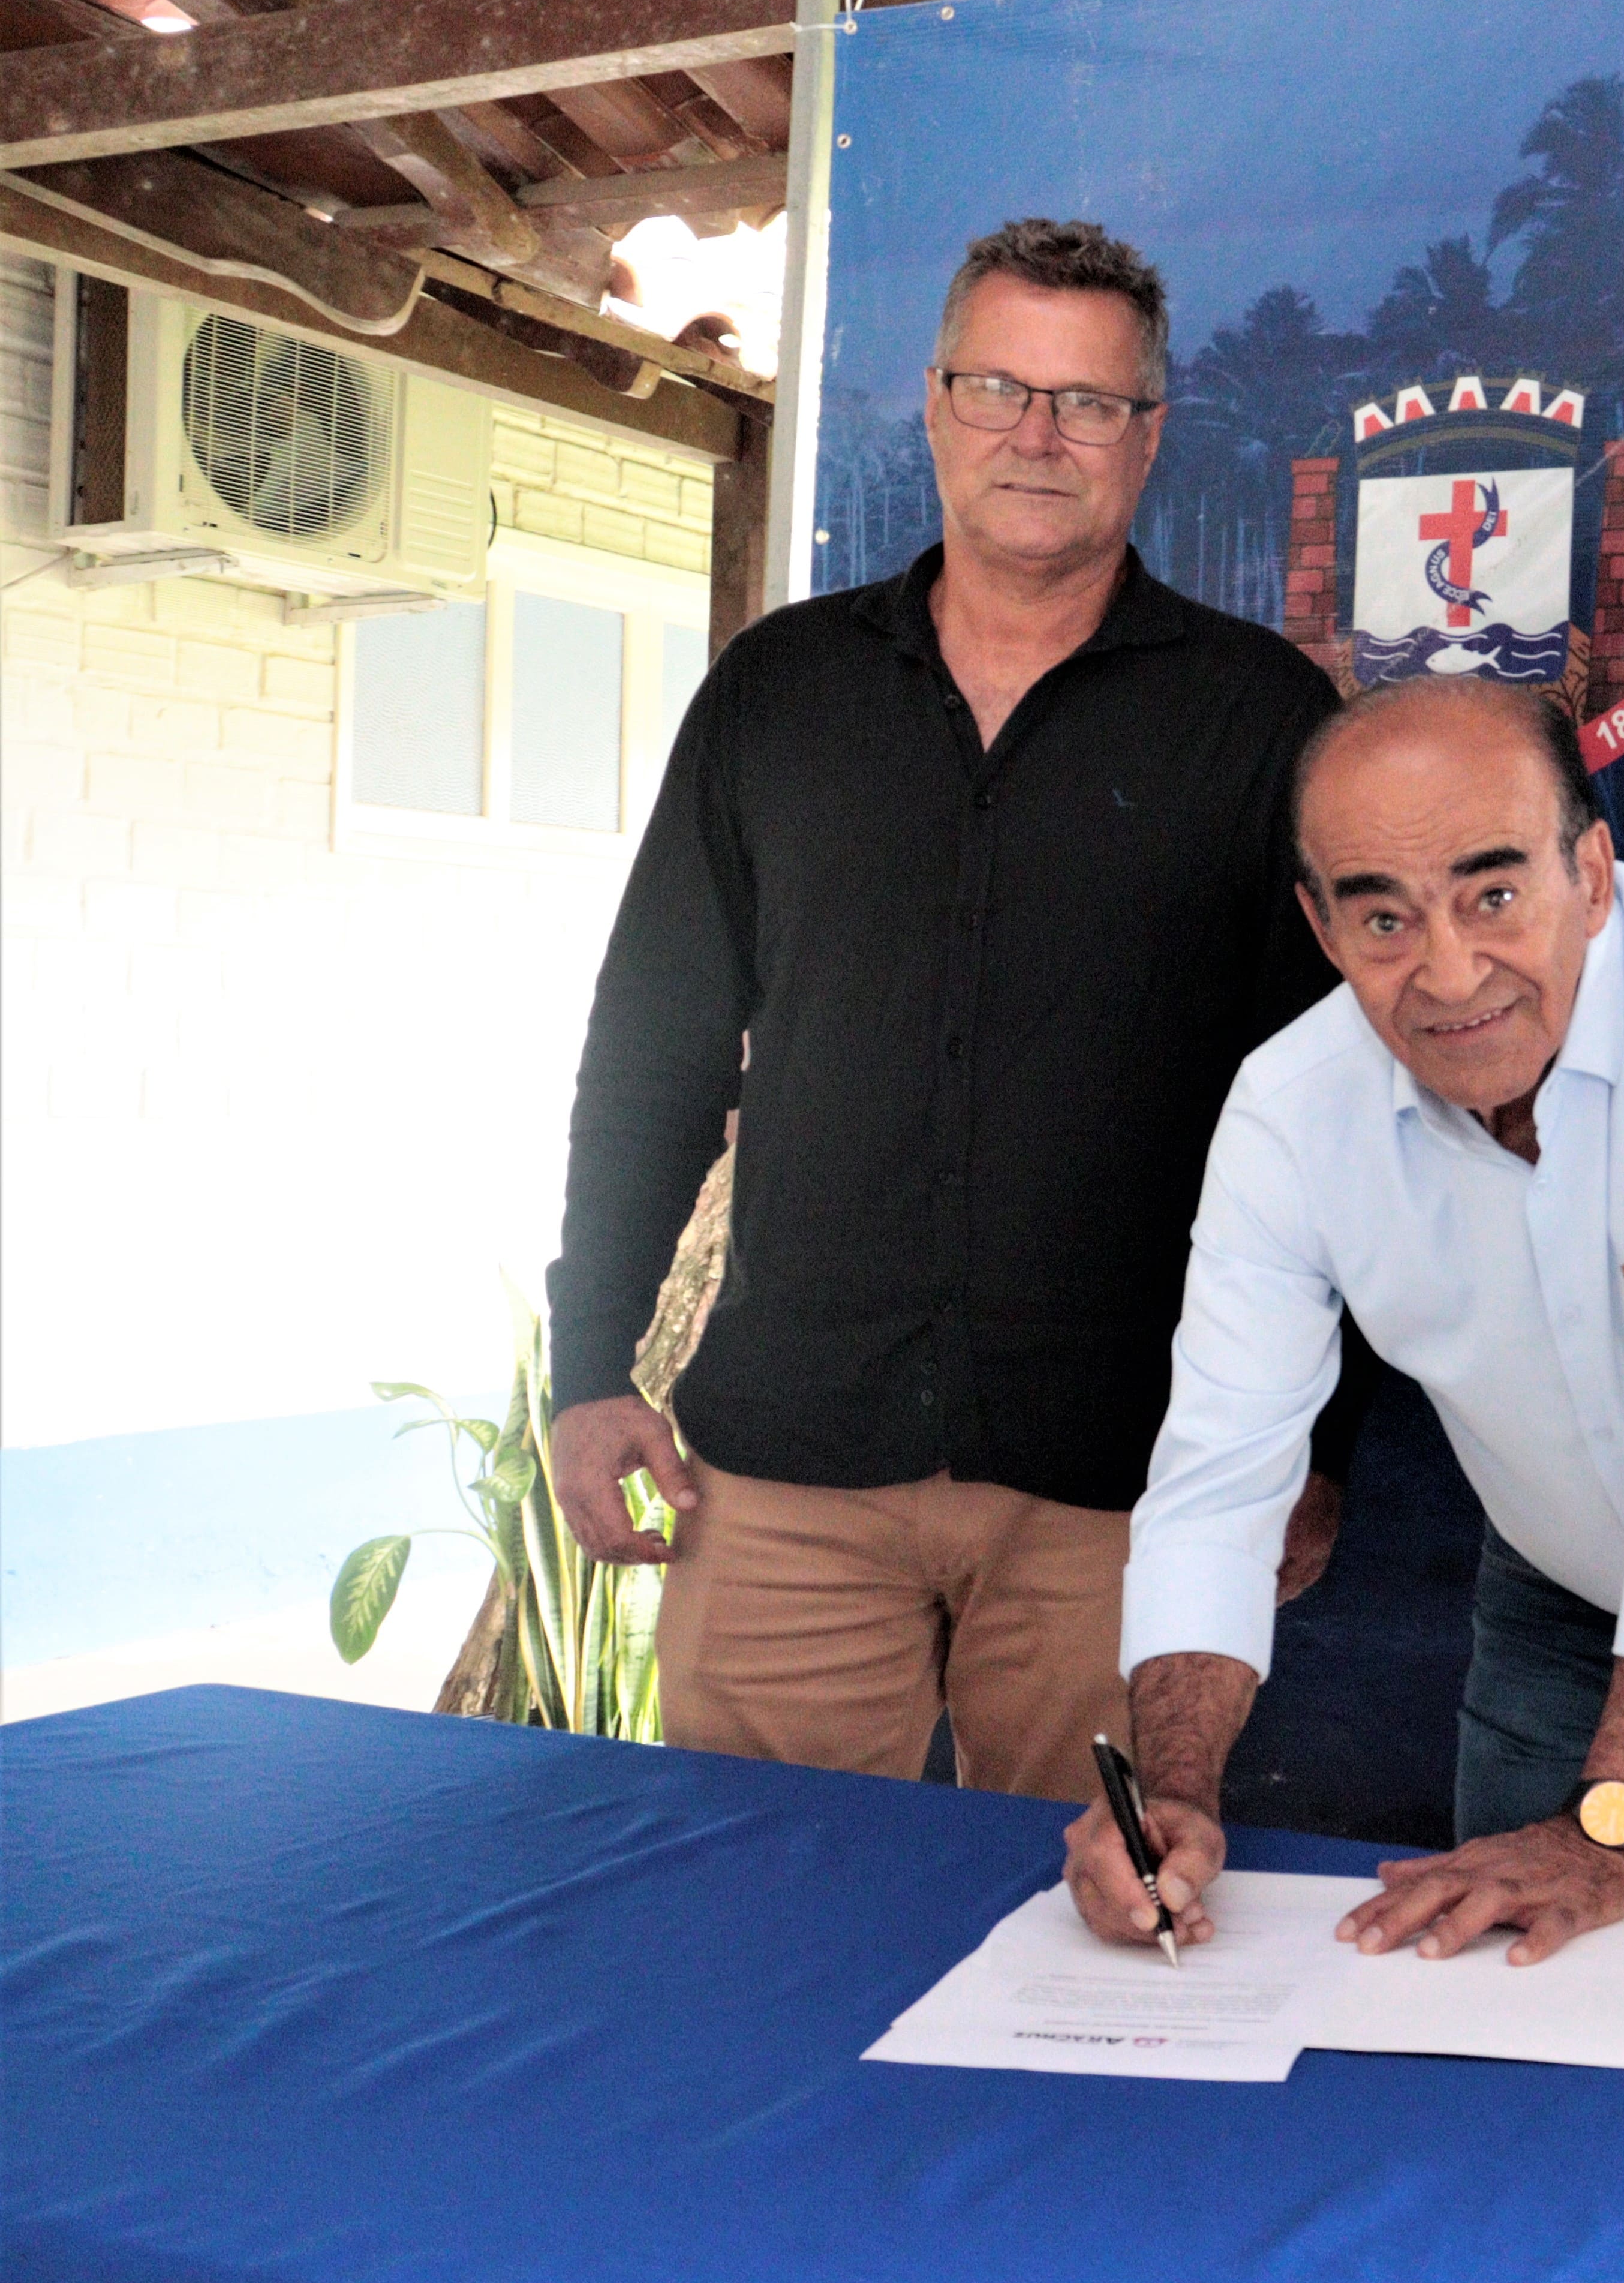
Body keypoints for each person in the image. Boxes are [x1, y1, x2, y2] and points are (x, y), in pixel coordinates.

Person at [545, 220, 1358, 1802]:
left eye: (1088, 402)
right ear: (930, 405)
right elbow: (650, 1052)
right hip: (782, 1484)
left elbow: (1344, 1127)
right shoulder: (778, 696)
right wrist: (591, 1370)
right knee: (755, 1924)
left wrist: (1318, 1455)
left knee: (1095, 1956)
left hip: (1129, 1497)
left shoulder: (1259, 721)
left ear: (1151, 435)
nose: (1038, 437)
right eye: (999, 387)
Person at [1063, 677, 1624, 1967]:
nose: (1451, 970)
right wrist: (1176, 1789)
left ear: (1592, 870)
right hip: (1558, 1593)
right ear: (1319, 924)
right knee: (1500, 1998)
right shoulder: (1289, 1108)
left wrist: (1605, 1826)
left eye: (1494, 892)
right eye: (1382, 916)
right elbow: (1219, 1476)